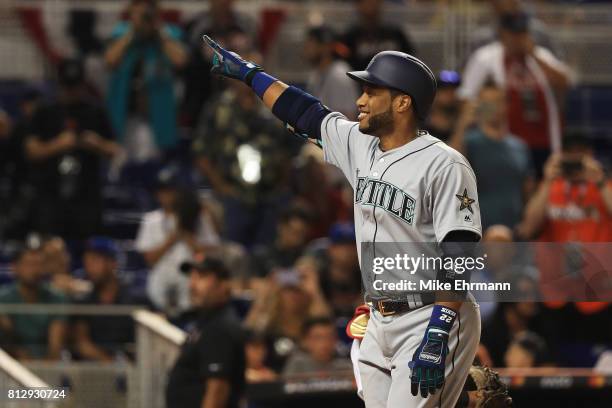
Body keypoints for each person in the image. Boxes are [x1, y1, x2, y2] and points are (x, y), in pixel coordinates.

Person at [203, 35, 482, 406]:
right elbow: (303, 112)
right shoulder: (359, 143)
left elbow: (460, 249)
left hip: (430, 315)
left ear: (402, 102)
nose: (360, 101)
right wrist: (251, 75)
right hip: (378, 318)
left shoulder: (444, 164)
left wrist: (439, 331)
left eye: (371, 92)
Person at [192, 65, 301, 248]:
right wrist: (222, 187)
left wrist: (281, 186)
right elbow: (201, 151)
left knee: (266, 253)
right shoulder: (219, 107)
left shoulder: (275, 106)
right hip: (233, 196)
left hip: (269, 197)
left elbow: (288, 152)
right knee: (234, 254)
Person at [458, 11, 573, 172]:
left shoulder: (540, 55)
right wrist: (484, 126)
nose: (518, 38)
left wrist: (534, 54)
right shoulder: (485, 57)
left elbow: (565, 82)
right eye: (513, 33)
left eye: (522, 33)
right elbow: (466, 97)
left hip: (542, 139)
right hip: (504, 140)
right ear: (503, 34)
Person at [25, 59, 121, 239]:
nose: (71, 92)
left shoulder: (95, 111)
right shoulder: (45, 111)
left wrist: (96, 144)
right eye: (67, 86)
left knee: (89, 250)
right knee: (50, 249)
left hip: (86, 196)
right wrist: (57, 145)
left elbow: (115, 149)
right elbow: (31, 151)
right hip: (50, 195)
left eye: (75, 86)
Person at [104, 0, 187, 162]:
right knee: (122, 168)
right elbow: (110, 61)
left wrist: (159, 32)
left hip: (156, 119)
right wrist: (132, 32)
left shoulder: (169, 33)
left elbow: (181, 60)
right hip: (124, 117)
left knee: (152, 170)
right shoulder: (121, 32)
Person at [135, 167, 220, 315]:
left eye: (171, 191)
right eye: (163, 191)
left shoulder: (197, 218)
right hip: (160, 281)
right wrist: (172, 238)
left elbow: (211, 255)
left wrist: (187, 234)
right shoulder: (150, 220)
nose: (167, 196)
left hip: (190, 282)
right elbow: (149, 260)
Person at [450, 83, 534, 229]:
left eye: (498, 102)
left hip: (513, 232)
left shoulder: (520, 146)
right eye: (488, 103)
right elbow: (449, 167)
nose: (494, 108)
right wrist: (463, 124)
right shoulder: (469, 141)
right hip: (477, 230)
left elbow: (527, 190)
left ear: (507, 105)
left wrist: (526, 223)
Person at [165, 257, 245, 408]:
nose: (192, 285)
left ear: (223, 285)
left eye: (201, 277)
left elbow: (217, 391)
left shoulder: (220, 327)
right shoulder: (205, 323)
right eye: (191, 277)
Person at [73, 237, 144, 361]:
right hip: (96, 369)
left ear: (112, 263)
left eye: (94, 261)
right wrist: (109, 362)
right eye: (87, 262)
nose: (89, 268)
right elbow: (82, 343)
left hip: (132, 367)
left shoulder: (134, 298)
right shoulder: (85, 300)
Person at [0, 245, 67, 359]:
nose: (35, 270)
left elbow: (55, 345)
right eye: (29, 264)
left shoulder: (57, 298)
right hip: (15, 364)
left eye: (39, 264)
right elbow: (10, 340)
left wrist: (47, 368)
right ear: (16, 267)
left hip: (49, 365)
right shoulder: (3, 298)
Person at [304, 26, 360, 119]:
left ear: (325, 47)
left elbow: (349, 118)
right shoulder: (316, 73)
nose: (306, 48)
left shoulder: (339, 74)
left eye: (311, 43)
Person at [343, 0, 416, 70]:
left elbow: (410, 57)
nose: (371, 4)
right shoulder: (351, 36)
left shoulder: (395, 33)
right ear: (358, 6)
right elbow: (345, 62)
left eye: (375, 1)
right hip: (361, 78)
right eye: (367, 2)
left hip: (394, 78)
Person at [251, 205, 313, 278]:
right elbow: (251, 284)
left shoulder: (305, 258)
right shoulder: (260, 256)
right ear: (280, 226)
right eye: (294, 232)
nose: (297, 238)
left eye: (301, 233)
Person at [283, 316, 352, 377]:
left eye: (330, 337)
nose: (324, 343)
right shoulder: (298, 364)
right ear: (304, 341)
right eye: (317, 338)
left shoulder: (345, 367)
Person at [424, 70, 462, 142]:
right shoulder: (421, 120)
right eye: (444, 90)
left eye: (453, 90)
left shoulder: (461, 117)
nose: (449, 94)